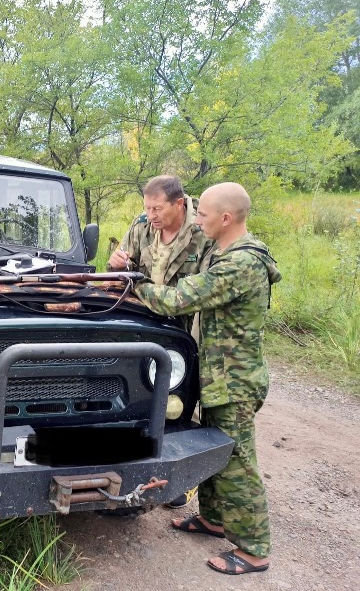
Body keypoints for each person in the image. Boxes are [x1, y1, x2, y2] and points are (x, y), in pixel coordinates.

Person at [133, 182, 281, 575]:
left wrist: (135, 283)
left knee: (238, 462)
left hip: (235, 380)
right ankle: (215, 520)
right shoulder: (224, 253)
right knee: (216, 452)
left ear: (226, 218)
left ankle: (254, 549)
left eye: (202, 215)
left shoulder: (241, 264)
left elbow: (179, 298)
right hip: (218, 375)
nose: (197, 220)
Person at [107, 174, 211, 509]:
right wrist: (116, 263)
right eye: (147, 207)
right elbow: (122, 266)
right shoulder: (141, 227)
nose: (151, 215)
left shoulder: (204, 231)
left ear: (179, 203)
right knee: (141, 395)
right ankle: (135, 465)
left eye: (157, 208)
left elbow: (206, 289)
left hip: (188, 329)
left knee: (182, 404)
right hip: (146, 325)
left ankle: (178, 480)